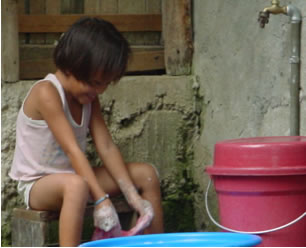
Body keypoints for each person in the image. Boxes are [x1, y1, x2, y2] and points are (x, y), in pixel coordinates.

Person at [9, 17, 164, 246]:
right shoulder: (46, 92)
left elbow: (106, 146)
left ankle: (159, 244)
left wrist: (132, 196)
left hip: (75, 176)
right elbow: (72, 149)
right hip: (39, 185)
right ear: (72, 67)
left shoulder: (89, 98)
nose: (99, 90)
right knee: (76, 185)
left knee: (147, 174)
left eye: (105, 84)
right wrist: (102, 200)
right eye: (94, 82)